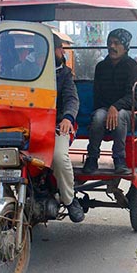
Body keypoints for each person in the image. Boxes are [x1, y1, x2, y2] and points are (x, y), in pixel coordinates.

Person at [82, 28, 137, 176]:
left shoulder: (132, 67)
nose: (111, 46)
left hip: (127, 112)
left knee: (119, 116)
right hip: (105, 109)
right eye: (109, 43)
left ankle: (119, 159)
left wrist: (115, 107)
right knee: (99, 116)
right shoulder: (101, 67)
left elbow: (133, 97)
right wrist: (107, 110)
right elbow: (97, 96)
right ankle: (92, 158)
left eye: (116, 43)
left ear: (125, 47)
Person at [52, 35, 84, 223]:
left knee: (59, 157)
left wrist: (67, 117)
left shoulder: (64, 74)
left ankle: (70, 200)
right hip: (28, 127)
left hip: (57, 126)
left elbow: (72, 99)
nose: (63, 52)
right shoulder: (21, 71)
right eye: (59, 48)